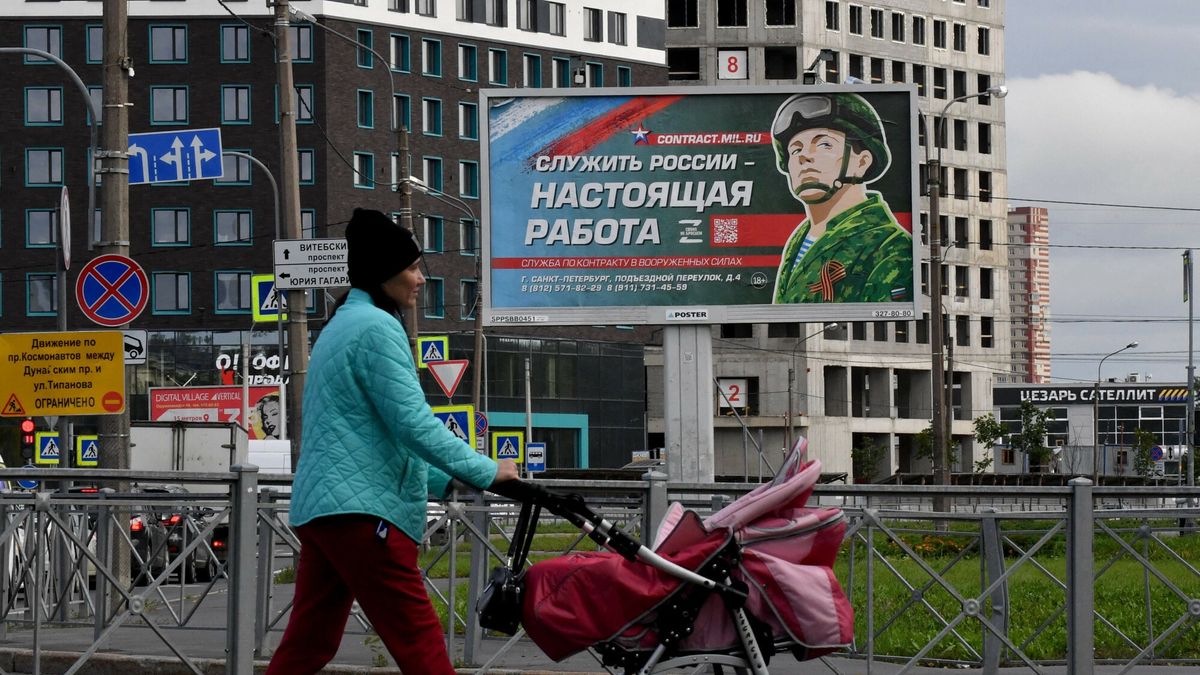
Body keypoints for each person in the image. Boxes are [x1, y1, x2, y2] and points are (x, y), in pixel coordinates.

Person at [265, 208, 519, 675]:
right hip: (364, 513)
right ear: (385, 272)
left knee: (309, 644)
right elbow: (413, 425)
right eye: (413, 268)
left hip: (326, 507)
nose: (421, 278)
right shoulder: (377, 328)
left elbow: (373, 431)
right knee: (418, 638)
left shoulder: (341, 325)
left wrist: (442, 480)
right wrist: (484, 470)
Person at [770, 92, 913, 304]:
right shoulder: (799, 240)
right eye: (795, 149)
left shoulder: (890, 247)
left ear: (862, 163)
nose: (803, 156)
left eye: (824, 145)